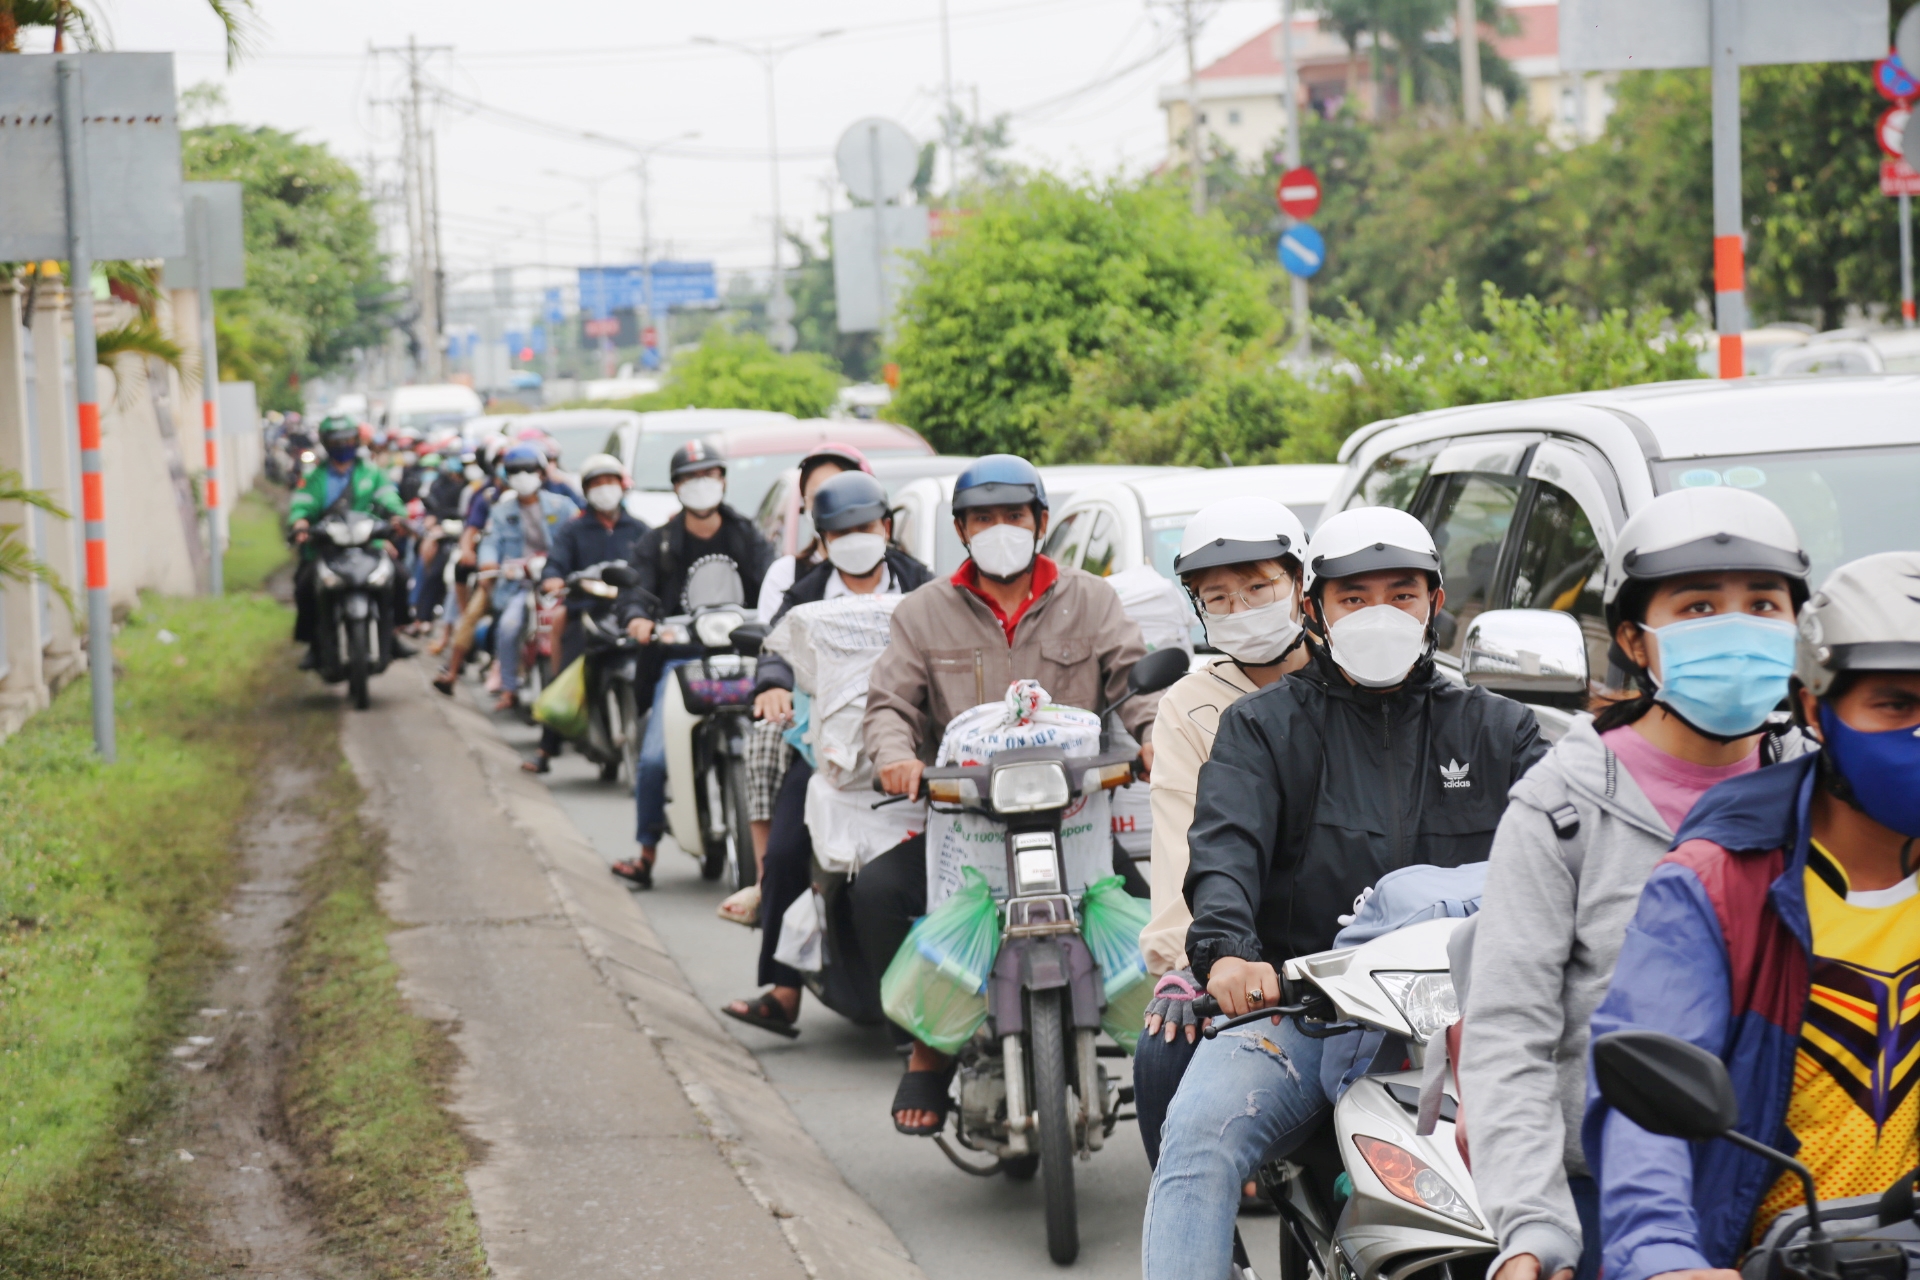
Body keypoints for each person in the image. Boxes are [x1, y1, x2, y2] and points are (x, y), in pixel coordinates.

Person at [1140, 506, 1548, 1279]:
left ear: (1434, 602)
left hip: (1483, 1020)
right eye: (1355, 598)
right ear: (1316, 608)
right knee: (1196, 1139)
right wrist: (1228, 953)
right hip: (1306, 1013)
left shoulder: (1501, 730)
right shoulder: (1259, 729)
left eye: (1402, 594)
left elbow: (1563, 863)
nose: (1380, 614)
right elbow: (1224, 849)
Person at [1459, 488, 1813, 1280]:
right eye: (1696, 607)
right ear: (1635, 641)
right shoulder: (1560, 808)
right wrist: (1533, 1226)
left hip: (1796, 1193)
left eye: (1763, 604)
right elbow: (1509, 1032)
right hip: (1601, 1197)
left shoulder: (1826, 795)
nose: (1736, 628)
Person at [1585, 551, 1920, 1280]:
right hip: (1767, 1258)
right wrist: (1662, 1254)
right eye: (1897, 705)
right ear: (1814, 710)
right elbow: (1644, 1098)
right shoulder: (1720, 882)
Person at [857, 454, 1162, 1134]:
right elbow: (888, 705)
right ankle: (929, 1047)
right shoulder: (923, 612)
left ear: (1041, 523)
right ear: (962, 530)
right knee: (876, 895)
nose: (1001, 529)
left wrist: (1154, 737)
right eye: (983, 519)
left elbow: (1137, 684)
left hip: (1073, 821)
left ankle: (1172, 1068)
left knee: (1162, 922)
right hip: (965, 826)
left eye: (1014, 517)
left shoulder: (1092, 599)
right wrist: (896, 757)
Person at [1132, 496, 1315, 1173]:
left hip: (1347, 941)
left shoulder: (1353, 677)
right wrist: (1189, 962)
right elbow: (1181, 835)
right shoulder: (1189, 703)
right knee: (1161, 1049)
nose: (1241, 609)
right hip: (1233, 940)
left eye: (1259, 588)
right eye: (1219, 596)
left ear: (1299, 584)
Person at [720, 470, 934, 1037]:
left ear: (887, 527)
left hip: (912, 752)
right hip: (828, 761)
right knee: (788, 850)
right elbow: (776, 647)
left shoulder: (921, 584)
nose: (855, 537)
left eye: (866, 526)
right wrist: (769, 683)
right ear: (822, 539)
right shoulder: (806, 592)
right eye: (841, 531)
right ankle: (784, 990)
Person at [610, 439, 775, 887]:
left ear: (722, 480)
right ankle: (645, 853)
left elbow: (777, 585)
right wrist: (639, 618)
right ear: (676, 487)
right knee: (652, 760)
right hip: (679, 663)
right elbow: (634, 592)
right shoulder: (658, 542)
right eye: (690, 478)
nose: (701, 485)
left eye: (709, 475)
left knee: (786, 745)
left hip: (743, 658)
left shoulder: (747, 534)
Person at [721, 444, 875, 924]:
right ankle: (768, 881)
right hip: (814, 714)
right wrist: (776, 686)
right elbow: (778, 645)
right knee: (768, 739)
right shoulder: (795, 579)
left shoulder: (909, 576)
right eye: (824, 498)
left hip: (889, 712)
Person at [520, 454, 650, 773]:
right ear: (587, 490)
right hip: (587, 613)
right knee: (568, 672)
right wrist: (553, 579)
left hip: (631, 614)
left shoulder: (640, 529)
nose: (605, 489)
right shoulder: (573, 530)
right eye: (597, 484)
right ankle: (546, 748)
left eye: (610, 482)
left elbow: (656, 566)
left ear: (622, 486)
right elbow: (554, 566)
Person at [460, 444, 580, 711]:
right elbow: (491, 541)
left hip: (558, 583)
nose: (523, 476)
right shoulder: (501, 511)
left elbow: (578, 533)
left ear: (540, 473)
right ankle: (509, 687)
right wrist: (488, 562)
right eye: (515, 471)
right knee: (508, 627)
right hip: (520, 585)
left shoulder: (562, 506)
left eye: (529, 470)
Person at [288, 415, 409, 669]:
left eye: (348, 440)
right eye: (337, 441)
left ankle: (394, 635)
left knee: (399, 575)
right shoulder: (314, 476)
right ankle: (313, 644)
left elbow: (389, 497)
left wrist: (398, 517)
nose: (344, 446)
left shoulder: (372, 473)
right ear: (326, 443)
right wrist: (300, 524)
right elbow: (302, 504)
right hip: (327, 546)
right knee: (304, 584)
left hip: (367, 544)